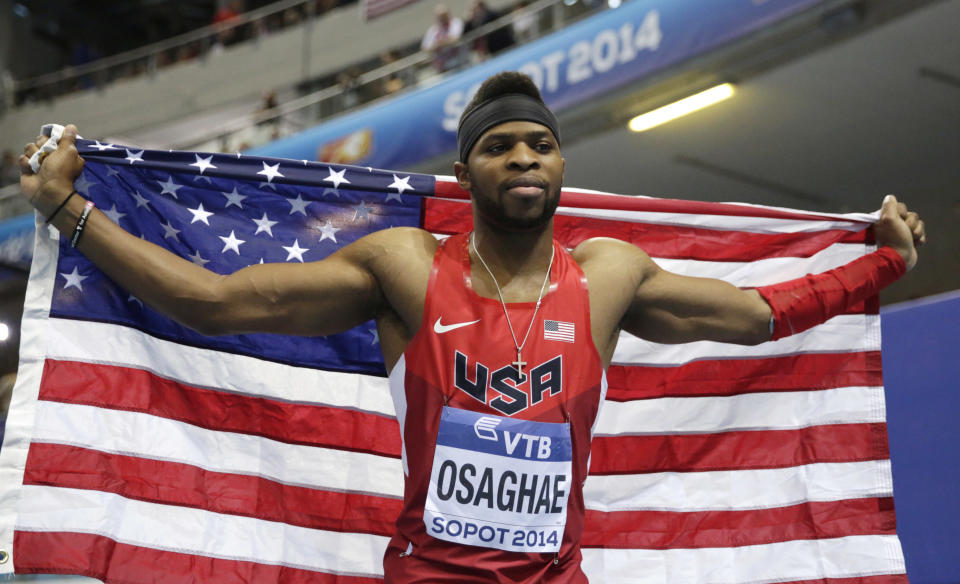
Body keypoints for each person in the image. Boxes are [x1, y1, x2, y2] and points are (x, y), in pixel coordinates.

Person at [19, 71, 924, 582]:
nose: (522, 157)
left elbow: (760, 317)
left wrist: (884, 260)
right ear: (467, 171)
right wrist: (70, 212)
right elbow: (214, 302)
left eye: (538, 143)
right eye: (500, 146)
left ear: (562, 163)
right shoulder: (405, 268)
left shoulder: (608, 274)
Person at [421, 3, 465, 73]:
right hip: (442, 67)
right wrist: (438, 45)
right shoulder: (432, 30)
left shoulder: (456, 23)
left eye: (444, 15)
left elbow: (455, 39)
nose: (443, 18)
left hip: (459, 62)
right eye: (440, 16)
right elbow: (425, 48)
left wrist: (440, 43)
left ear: (448, 14)